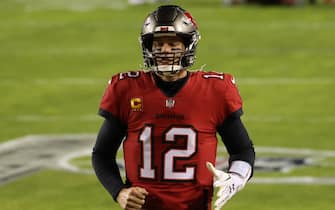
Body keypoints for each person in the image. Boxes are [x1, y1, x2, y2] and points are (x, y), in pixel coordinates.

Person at [92, 5, 255, 210]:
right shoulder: (127, 88)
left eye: (172, 43)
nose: (165, 50)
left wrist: (236, 178)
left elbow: (242, 151)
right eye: (158, 44)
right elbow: (102, 154)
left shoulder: (214, 90)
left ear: (188, 46)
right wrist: (119, 192)